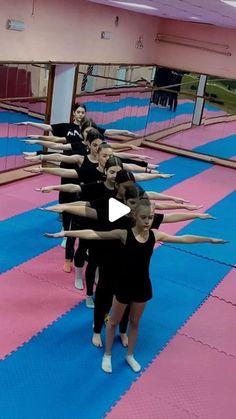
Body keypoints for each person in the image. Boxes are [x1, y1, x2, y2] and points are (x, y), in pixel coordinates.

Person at [45, 198, 228, 373]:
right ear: (134, 216)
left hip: (142, 285)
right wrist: (65, 233)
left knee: (135, 323)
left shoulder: (154, 235)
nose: (148, 221)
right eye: (144, 218)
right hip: (122, 284)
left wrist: (209, 240)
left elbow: (183, 238)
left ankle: (130, 355)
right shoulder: (124, 234)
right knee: (113, 322)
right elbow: (95, 234)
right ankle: (107, 354)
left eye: (150, 218)